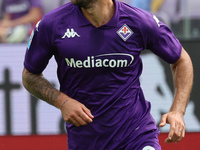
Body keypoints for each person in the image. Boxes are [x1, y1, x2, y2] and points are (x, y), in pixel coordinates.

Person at [22, 0, 193, 149]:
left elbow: (181, 60)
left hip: (136, 135)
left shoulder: (139, 22)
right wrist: (62, 102)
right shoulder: (51, 24)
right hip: (85, 141)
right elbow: (29, 75)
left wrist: (177, 111)